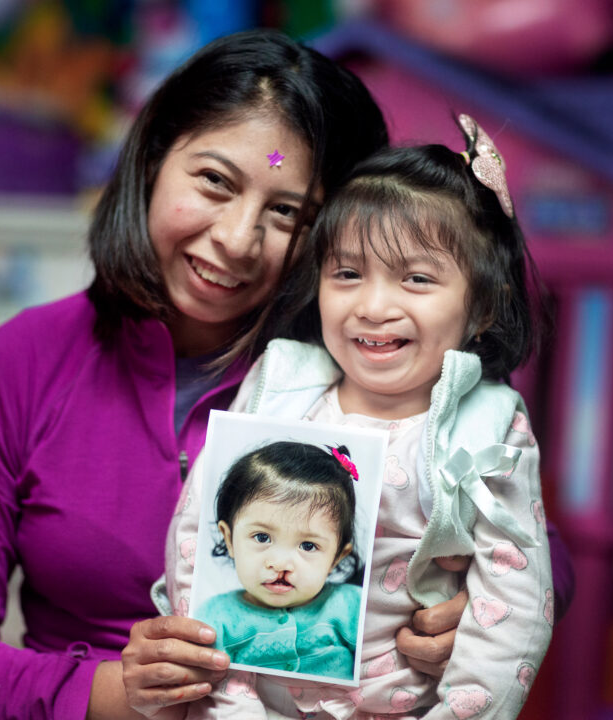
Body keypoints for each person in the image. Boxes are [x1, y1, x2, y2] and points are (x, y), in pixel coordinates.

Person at [0, 28, 477, 720]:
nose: (237, 238)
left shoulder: (380, 373)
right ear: (151, 161)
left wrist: (469, 616)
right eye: (214, 183)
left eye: (289, 212)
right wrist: (115, 693)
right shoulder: (20, 365)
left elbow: (532, 544)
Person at [164, 114, 553, 719]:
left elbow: (514, 600)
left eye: (416, 279)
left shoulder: (490, 427)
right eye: (346, 274)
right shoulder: (281, 387)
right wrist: (231, 705)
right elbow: (198, 539)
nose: (373, 307)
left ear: (481, 306)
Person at [197, 441, 361, 680]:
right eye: (262, 537)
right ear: (230, 539)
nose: (282, 563)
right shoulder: (215, 617)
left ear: (336, 558)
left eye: (308, 545)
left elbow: (375, 669)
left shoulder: (349, 606)